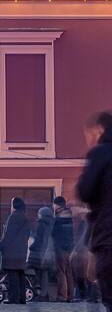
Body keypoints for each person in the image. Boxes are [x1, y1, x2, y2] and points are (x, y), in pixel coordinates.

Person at [76, 111, 112, 305]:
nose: (88, 140)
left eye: (88, 135)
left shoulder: (100, 154)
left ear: (99, 130)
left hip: (108, 238)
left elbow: (85, 192)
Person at [0, 197, 36, 304]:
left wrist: (1, 246)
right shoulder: (25, 217)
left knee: (13, 277)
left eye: (11, 204)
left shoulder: (14, 217)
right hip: (21, 252)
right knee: (20, 275)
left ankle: (13, 299)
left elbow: (8, 235)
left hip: (12, 253)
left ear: (14, 205)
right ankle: (21, 299)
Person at [53, 195, 78, 301]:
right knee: (68, 272)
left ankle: (62, 296)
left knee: (61, 272)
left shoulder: (59, 216)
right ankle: (70, 296)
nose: (52, 206)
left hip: (61, 246)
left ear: (57, 205)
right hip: (69, 247)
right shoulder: (69, 215)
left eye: (53, 204)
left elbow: (54, 232)